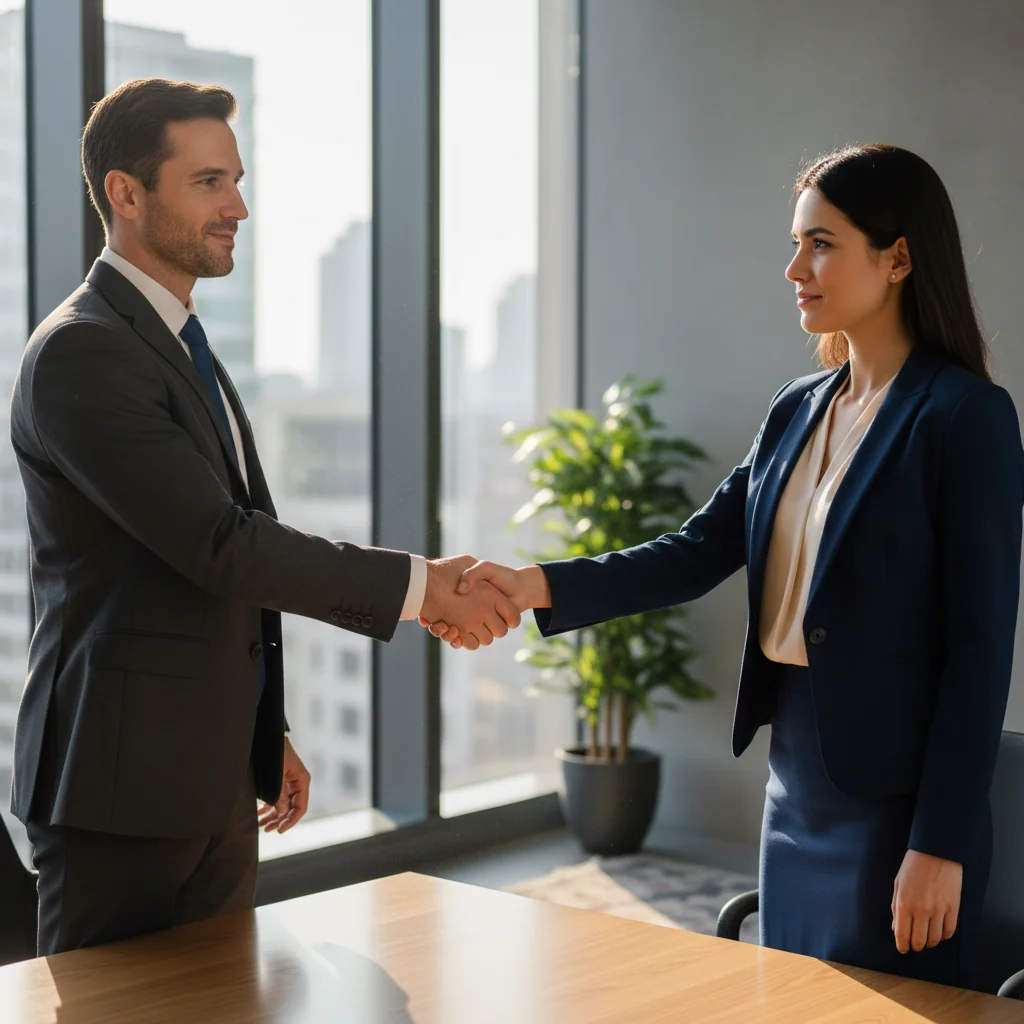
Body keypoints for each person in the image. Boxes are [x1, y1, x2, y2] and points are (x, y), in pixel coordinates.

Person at [426, 144, 1024, 990]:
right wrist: (532, 588)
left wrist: (940, 843)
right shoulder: (799, 407)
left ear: (898, 257)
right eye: (794, 243)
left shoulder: (966, 418)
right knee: (788, 999)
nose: (794, 268)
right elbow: (698, 549)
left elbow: (980, 651)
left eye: (820, 243)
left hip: (899, 802)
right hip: (797, 780)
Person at [10, 77, 518, 955]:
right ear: (126, 194)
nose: (238, 206)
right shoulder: (83, 350)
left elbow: (205, 549)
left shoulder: (174, 342)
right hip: (121, 789)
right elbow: (221, 545)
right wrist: (422, 585)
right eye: (209, 182)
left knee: (218, 1006)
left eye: (236, 180)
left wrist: (260, 729)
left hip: (203, 776)